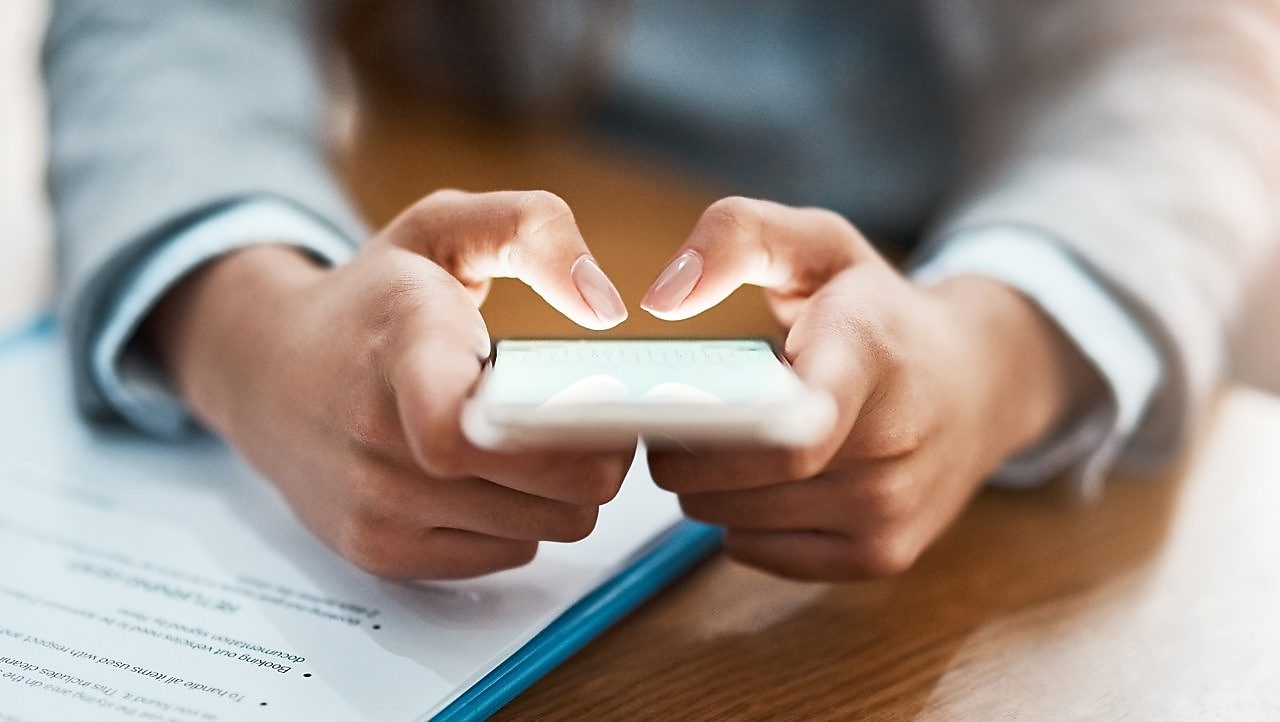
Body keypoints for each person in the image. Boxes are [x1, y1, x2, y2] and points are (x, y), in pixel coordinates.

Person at [43, 0, 1280, 580]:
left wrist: (988, 351)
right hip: (452, 230)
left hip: (932, 275)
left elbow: (1188, 75)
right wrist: (252, 328)